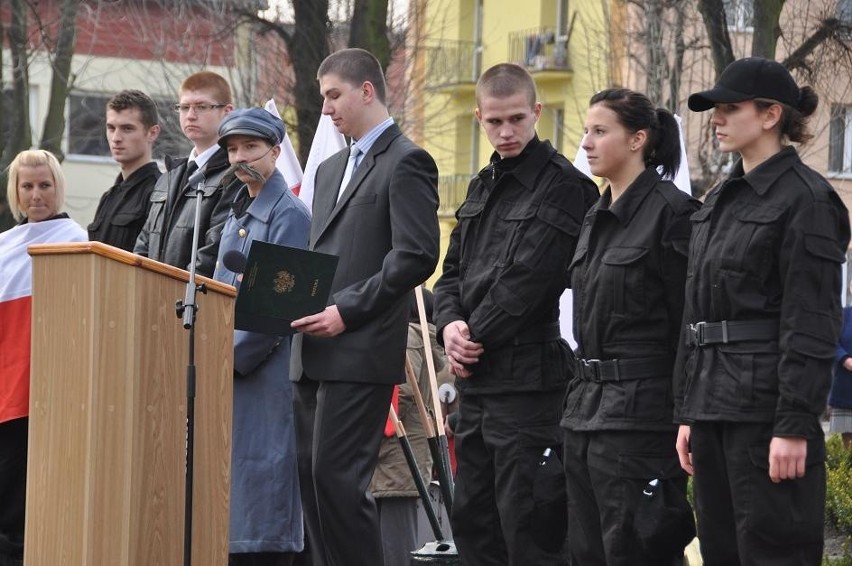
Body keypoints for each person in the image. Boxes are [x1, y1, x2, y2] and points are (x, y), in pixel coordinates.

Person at [676, 57, 851, 565]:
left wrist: (795, 423)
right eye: (716, 109)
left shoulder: (807, 201)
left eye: (731, 107)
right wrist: (688, 411)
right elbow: (696, 313)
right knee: (722, 554)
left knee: (773, 554)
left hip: (765, 414)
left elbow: (813, 321)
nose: (717, 118)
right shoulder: (717, 201)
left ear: (771, 114)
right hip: (712, 409)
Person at [432, 62, 598, 566]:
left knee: (530, 528)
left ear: (537, 113)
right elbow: (451, 273)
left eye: (517, 119)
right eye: (495, 121)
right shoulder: (482, 185)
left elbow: (529, 282)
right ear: (479, 116)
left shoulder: (567, 186)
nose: (506, 132)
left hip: (529, 386)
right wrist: (449, 326)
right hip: (479, 385)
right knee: (474, 525)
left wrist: (468, 337)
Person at [288, 48, 440, 566]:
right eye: (323, 97)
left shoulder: (408, 161)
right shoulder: (330, 168)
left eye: (334, 95)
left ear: (367, 91)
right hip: (309, 350)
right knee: (311, 481)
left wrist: (345, 312)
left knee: (338, 480)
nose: (326, 108)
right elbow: (320, 255)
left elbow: (416, 256)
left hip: (359, 349)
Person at [560, 88, 699, 566]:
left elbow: (689, 324)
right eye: (585, 131)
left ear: (638, 139)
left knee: (638, 551)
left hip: (641, 419)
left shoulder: (674, 213)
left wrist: (686, 415)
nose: (587, 143)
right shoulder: (593, 217)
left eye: (600, 131)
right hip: (584, 413)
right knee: (586, 553)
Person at [211, 108, 311, 566]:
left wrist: (224, 359)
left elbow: (275, 310)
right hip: (229, 374)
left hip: (264, 376)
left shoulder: (289, 215)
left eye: (250, 147)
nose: (240, 158)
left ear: (275, 151)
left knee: (264, 502)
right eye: (232, 149)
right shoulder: (238, 215)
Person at [0, 150, 87, 566]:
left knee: (25, 502)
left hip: (46, 391)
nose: (36, 195)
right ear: (15, 192)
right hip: (4, 385)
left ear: (58, 187)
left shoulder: (77, 242)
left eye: (45, 185)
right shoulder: (3, 246)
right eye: (27, 186)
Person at [370, 289, 451, 566]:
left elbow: (400, 392)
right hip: (406, 455)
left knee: (395, 544)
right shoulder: (426, 339)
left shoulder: (408, 336)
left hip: (396, 453)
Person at [134, 71, 241, 277]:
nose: (190, 115)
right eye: (184, 107)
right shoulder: (169, 176)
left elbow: (212, 253)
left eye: (201, 106)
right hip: (152, 299)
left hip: (193, 301)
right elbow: (144, 243)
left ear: (227, 112)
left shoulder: (233, 176)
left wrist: (171, 292)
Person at [88, 89, 162, 251]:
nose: (116, 138)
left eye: (127, 129)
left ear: (152, 133)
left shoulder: (160, 193)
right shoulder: (109, 197)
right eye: (111, 128)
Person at [831, 303, 852, 450]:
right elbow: (831, 341)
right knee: (848, 440)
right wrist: (845, 359)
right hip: (846, 385)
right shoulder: (842, 315)